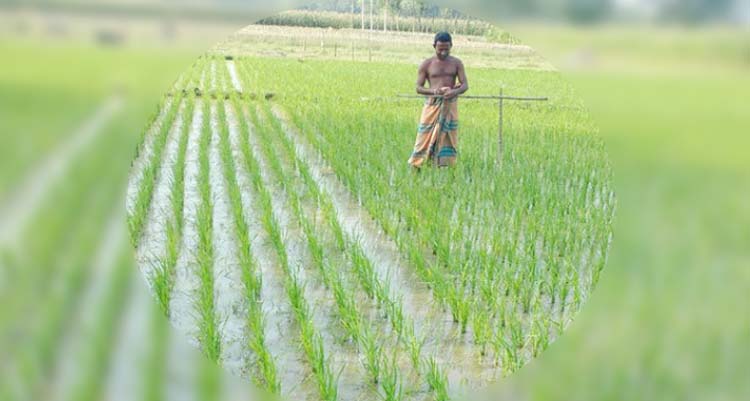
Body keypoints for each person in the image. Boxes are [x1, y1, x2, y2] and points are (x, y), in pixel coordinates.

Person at [407, 31, 469, 170]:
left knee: (448, 138)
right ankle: (417, 167)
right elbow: (419, 87)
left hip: (449, 105)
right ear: (434, 46)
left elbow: (465, 85)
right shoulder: (427, 64)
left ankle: (444, 168)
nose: (443, 52)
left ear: (451, 46)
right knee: (423, 139)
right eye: (440, 49)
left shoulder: (457, 63)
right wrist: (435, 92)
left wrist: (454, 91)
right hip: (432, 106)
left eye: (446, 49)